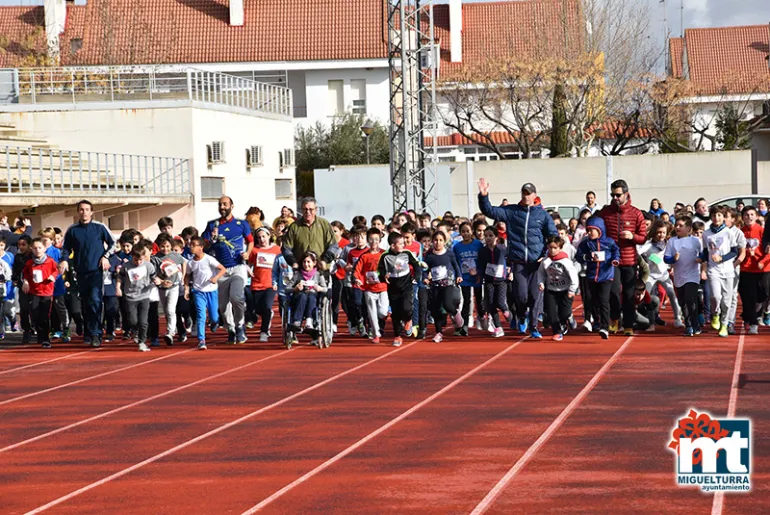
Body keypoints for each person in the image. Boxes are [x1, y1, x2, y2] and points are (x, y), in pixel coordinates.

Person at [477, 179, 557, 339]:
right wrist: (483, 196)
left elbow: (552, 235)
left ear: (535, 195)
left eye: (528, 194)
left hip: (536, 263)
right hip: (519, 262)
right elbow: (490, 211)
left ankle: (534, 326)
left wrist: (547, 255)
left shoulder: (542, 215)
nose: (526, 196)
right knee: (521, 296)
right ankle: (521, 315)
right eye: (523, 193)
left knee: (535, 296)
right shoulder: (512, 211)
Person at [60, 200, 116, 348]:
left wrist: (105, 257)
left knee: (95, 301)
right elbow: (66, 248)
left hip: (96, 271)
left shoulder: (100, 227)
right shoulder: (72, 230)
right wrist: (64, 260)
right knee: (85, 303)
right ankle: (88, 331)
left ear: (91, 212)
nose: (84, 212)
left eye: (87, 209)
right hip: (81, 271)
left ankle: (97, 333)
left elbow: (113, 243)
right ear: (78, 212)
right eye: (81, 210)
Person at [596, 179, 646, 335]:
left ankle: (629, 325)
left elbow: (643, 237)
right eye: (612, 195)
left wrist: (632, 236)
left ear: (626, 194)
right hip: (612, 261)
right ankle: (614, 319)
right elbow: (595, 228)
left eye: (618, 195)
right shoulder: (605, 213)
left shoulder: (636, 213)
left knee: (629, 294)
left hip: (629, 259)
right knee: (613, 292)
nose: (615, 198)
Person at [201, 196, 254, 345]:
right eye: (220, 205)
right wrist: (211, 239)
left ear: (232, 206)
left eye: (225, 204)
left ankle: (239, 326)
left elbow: (250, 241)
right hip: (221, 270)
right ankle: (230, 328)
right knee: (223, 307)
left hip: (237, 267)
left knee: (236, 298)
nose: (222, 207)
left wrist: (248, 253)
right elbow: (203, 247)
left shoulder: (241, 224)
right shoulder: (212, 225)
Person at [576, 216, 620, 339]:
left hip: (606, 276)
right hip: (591, 276)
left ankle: (605, 327)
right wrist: (587, 257)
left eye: (592, 230)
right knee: (593, 299)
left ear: (600, 230)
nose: (589, 233)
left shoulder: (609, 242)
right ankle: (596, 321)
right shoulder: (586, 243)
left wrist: (615, 260)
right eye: (588, 230)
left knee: (604, 300)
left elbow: (616, 251)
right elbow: (579, 256)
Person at [378, 231, 423, 347]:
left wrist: (417, 277)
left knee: (407, 308)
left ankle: (408, 319)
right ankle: (397, 335)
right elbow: (380, 271)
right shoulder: (385, 256)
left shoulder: (406, 253)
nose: (404, 246)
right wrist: (383, 276)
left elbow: (416, 264)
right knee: (396, 313)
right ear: (393, 245)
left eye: (404, 243)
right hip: (393, 287)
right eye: (401, 244)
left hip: (407, 285)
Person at [702, 205, 740, 338]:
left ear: (723, 217)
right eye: (714, 215)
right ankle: (715, 314)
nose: (716, 218)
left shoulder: (729, 232)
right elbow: (706, 252)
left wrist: (722, 258)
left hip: (728, 270)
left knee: (726, 300)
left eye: (719, 215)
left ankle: (724, 324)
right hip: (713, 270)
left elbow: (734, 252)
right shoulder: (706, 234)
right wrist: (700, 259)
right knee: (715, 297)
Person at [638, 220, 683, 328]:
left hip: (664, 275)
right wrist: (643, 261)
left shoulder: (668, 244)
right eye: (659, 232)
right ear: (654, 232)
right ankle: (645, 319)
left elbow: (672, 257)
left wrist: (673, 263)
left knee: (671, 294)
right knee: (645, 295)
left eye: (663, 232)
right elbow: (637, 252)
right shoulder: (648, 245)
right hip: (651, 275)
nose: (661, 235)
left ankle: (678, 319)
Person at [185, 236, 227, 350]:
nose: (191, 247)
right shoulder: (190, 263)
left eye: (194, 245)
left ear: (201, 247)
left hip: (211, 290)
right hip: (198, 291)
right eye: (190, 245)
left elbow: (223, 269)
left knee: (214, 316)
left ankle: (214, 322)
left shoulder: (209, 259)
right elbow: (187, 276)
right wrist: (186, 289)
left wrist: (215, 278)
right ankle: (201, 339)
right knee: (201, 315)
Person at [665, 216, 704, 336]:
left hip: (693, 274)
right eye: (676, 225)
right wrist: (673, 259)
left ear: (688, 228)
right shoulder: (672, 241)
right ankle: (689, 326)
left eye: (680, 226)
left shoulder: (696, 241)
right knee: (682, 301)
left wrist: (700, 259)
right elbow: (666, 258)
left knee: (690, 298)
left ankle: (694, 324)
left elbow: (704, 254)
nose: (677, 227)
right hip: (679, 276)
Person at [423, 230, 463, 343]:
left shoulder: (449, 253)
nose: (438, 242)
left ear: (444, 242)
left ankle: (455, 313)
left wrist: (458, 275)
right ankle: (438, 332)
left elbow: (455, 265)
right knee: (436, 309)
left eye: (440, 240)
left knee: (447, 304)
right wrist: (425, 277)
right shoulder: (429, 255)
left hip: (448, 284)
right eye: (435, 240)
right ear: (432, 241)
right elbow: (425, 269)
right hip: (435, 285)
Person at [116, 241, 157, 352]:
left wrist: (158, 281)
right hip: (130, 296)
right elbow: (120, 277)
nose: (138, 262)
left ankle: (142, 342)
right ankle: (136, 330)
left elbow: (154, 277)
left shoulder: (148, 266)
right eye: (136, 259)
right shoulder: (126, 266)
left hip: (144, 296)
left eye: (141, 260)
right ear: (132, 257)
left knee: (143, 321)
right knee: (133, 320)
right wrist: (118, 288)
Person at [537, 235, 578, 341]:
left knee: (564, 313)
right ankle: (557, 332)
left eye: (555, 248)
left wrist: (572, 290)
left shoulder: (566, 261)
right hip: (551, 290)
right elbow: (541, 273)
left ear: (560, 248)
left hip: (565, 290)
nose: (552, 250)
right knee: (551, 313)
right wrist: (541, 282)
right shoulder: (545, 261)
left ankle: (568, 317)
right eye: (550, 247)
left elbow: (573, 276)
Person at [737, 206, 770, 334]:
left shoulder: (762, 231)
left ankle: (756, 313)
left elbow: (768, 249)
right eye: (746, 215)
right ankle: (753, 323)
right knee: (749, 297)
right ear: (742, 217)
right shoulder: (740, 232)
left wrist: (763, 261)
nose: (749, 217)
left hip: (763, 269)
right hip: (746, 269)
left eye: (751, 214)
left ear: (756, 216)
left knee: (764, 294)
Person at [22, 238, 59, 348]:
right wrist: (25, 281)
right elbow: (25, 274)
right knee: (35, 314)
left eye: (40, 248)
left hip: (46, 291)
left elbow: (56, 270)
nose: (37, 250)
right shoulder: (30, 263)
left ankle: (45, 338)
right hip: (34, 292)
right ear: (31, 249)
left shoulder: (50, 261)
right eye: (35, 248)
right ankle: (39, 334)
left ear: (44, 249)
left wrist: (53, 276)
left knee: (44, 315)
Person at [247, 227, 282, 342]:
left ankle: (264, 331)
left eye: (264, 236)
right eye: (259, 237)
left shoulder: (277, 250)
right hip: (256, 283)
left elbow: (282, 264)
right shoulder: (254, 250)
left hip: (270, 284)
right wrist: (248, 269)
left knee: (267, 307)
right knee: (257, 310)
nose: (262, 239)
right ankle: (266, 316)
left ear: (269, 236)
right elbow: (249, 263)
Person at [353, 228, 388, 343]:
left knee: (382, 312)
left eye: (376, 240)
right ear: (368, 241)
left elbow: (391, 268)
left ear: (380, 240)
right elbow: (357, 270)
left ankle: (383, 318)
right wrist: (357, 279)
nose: (374, 242)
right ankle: (376, 334)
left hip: (383, 288)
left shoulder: (384, 254)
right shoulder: (364, 256)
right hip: (369, 289)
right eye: (371, 240)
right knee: (372, 313)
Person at [282, 197, 337, 269]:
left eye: (311, 209)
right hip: (301, 270)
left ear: (316, 209)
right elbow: (286, 248)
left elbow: (333, 246)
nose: (308, 212)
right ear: (301, 210)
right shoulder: (294, 227)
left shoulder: (324, 224)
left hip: (320, 270)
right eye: (305, 209)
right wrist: (293, 262)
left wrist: (325, 260)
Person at [152, 233, 187, 346]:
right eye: (162, 246)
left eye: (167, 246)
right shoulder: (156, 258)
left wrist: (183, 276)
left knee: (171, 309)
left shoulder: (175, 256)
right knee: (167, 311)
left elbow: (183, 262)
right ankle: (173, 329)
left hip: (174, 286)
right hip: (162, 288)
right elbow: (154, 273)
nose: (165, 249)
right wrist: (161, 281)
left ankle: (170, 332)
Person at [477, 226, 511, 337]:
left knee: (500, 302)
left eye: (491, 236)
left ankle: (507, 312)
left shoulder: (502, 249)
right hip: (489, 280)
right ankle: (498, 327)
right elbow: (481, 265)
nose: (488, 238)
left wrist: (511, 271)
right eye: (486, 236)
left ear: (496, 237)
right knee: (491, 304)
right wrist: (479, 276)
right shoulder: (483, 251)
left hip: (501, 280)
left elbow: (511, 260)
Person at [290, 251, 328, 347]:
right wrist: (295, 288)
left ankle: (309, 321)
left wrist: (319, 288)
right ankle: (297, 321)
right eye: (304, 262)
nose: (306, 264)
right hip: (299, 298)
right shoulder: (298, 274)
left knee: (311, 296)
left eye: (308, 262)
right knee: (303, 296)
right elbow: (287, 288)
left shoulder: (319, 275)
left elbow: (325, 288)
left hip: (313, 297)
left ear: (314, 263)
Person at [453, 221, 484, 336]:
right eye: (463, 231)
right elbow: (455, 262)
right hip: (465, 278)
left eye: (468, 231)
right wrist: (458, 275)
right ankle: (464, 326)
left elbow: (482, 260)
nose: (466, 234)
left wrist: (479, 272)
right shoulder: (457, 247)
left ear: (472, 232)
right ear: (460, 233)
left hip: (477, 277)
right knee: (466, 301)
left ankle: (481, 316)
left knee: (479, 301)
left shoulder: (478, 245)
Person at [12, 235, 33, 343]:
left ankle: (37, 328)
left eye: (24, 244)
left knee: (35, 308)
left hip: (34, 286)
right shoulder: (18, 257)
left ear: (29, 245)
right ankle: (27, 330)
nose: (21, 247)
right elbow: (15, 270)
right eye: (19, 245)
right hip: (22, 286)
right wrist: (15, 279)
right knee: (24, 309)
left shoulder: (33, 256)